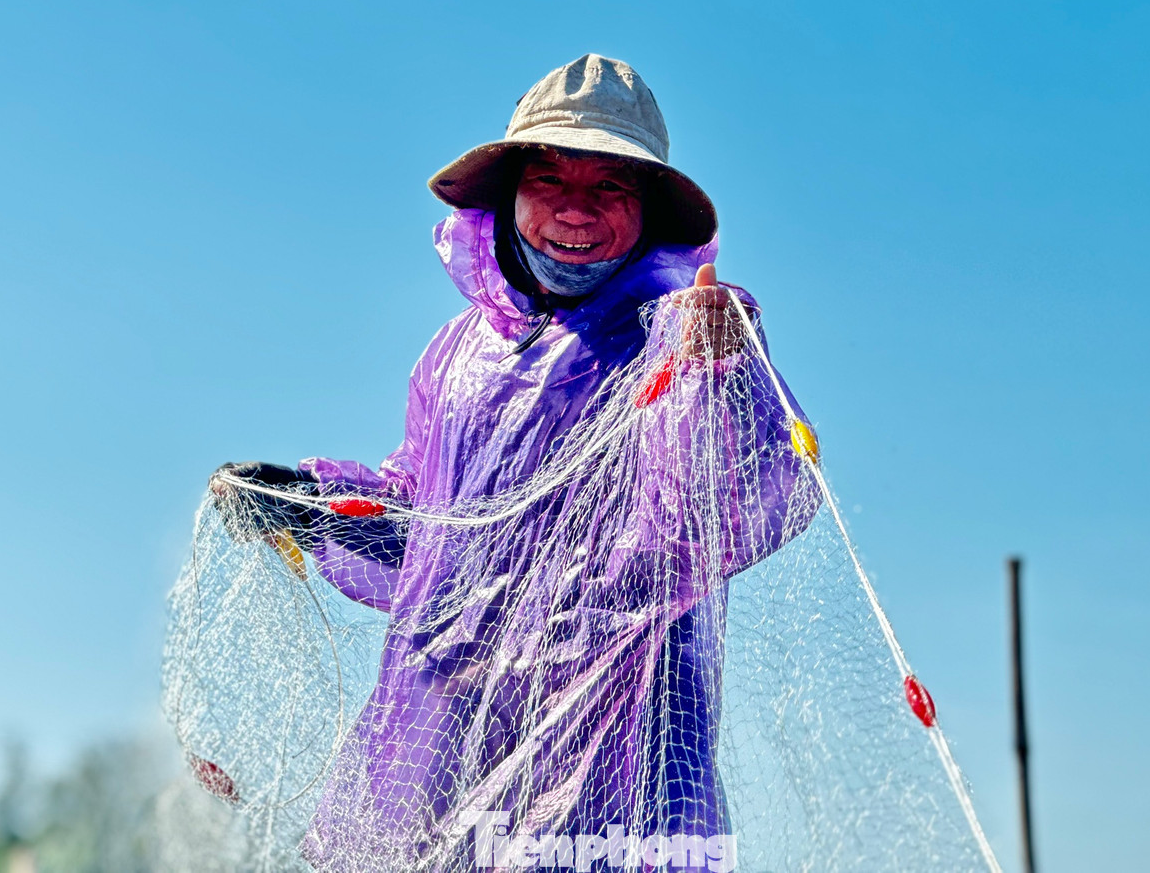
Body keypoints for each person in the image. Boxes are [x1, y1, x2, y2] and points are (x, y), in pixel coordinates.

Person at [212, 54, 817, 871]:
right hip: (440, 744)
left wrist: (716, 378)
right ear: (509, 193)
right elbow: (426, 527)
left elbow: (715, 515)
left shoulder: (680, 336)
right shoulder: (454, 357)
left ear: (649, 212)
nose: (575, 210)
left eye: (612, 187)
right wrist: (315, 505)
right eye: (550, 179)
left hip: (614, 759)